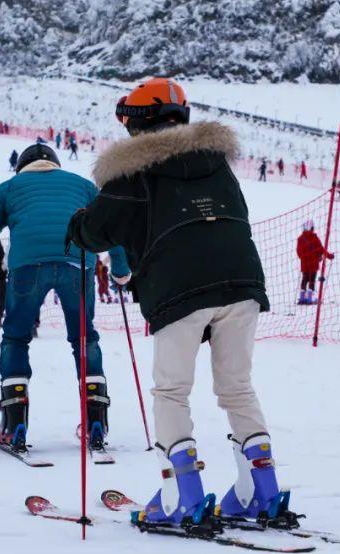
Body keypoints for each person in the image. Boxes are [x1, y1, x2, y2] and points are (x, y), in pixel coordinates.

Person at [67, 77, 282, 527]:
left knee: (171, 391)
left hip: (178, 286)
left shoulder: (132, 170)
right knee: (237, 386)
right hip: (242, 281)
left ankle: (180, 494)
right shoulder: (217, 164)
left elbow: (96, 231)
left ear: (136, 124)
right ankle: (260, 490)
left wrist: (79, 224)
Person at [0, 143, 130, 452]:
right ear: (55, 163)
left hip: (28, 266)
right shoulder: (83, 186)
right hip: (78, 264)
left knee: (15, 338)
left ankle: (14, 423)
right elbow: (111, 227)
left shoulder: (8, 188)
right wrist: (121, 270)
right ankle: (96, 419)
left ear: (20, 167)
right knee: (84, 339)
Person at [296, 219, 333, 304]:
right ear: (312, 228)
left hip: (304, 264)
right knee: (312, 280)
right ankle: (309, 299)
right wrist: (329, 256)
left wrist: (304, 258)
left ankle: (302, 298)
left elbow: (298, 252)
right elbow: (321, 250)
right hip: (313, 264)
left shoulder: (300, 239)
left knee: (304, 279)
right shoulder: (315, 238)